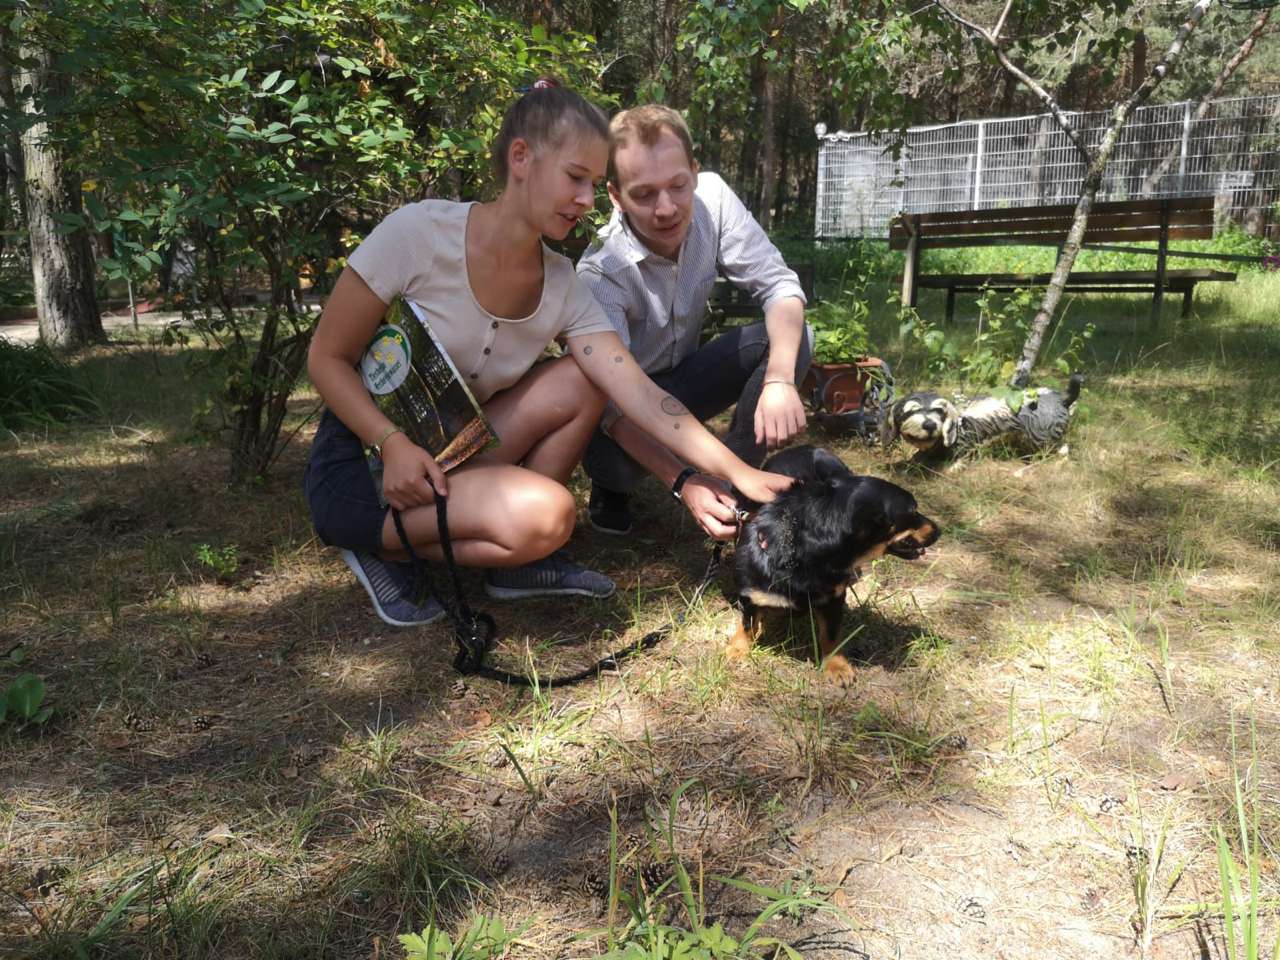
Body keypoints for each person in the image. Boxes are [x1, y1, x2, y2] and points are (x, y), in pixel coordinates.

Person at [304, 81, 792, 628]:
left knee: (584, 379)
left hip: (450, 456)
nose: (586, 200)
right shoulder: (418, 233)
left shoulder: (563, 284)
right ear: (521, 158)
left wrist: (737, 472)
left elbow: (640, 395)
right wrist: (390, 443)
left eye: (593, 184)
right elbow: (326, 358)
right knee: (551, 514)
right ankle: (379, 544)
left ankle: (512, 560)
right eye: (575, 178)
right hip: (366, 463)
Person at [577, 104, 812, 541]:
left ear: (695, 173)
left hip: (684, 378)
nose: (666, 208)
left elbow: (779, 286)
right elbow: (613, 407)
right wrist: (683, 480)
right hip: (622, 406)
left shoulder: (714, 199)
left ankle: (733, 488)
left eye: (678, 186)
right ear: (615, 196)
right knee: (618, 468)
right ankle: (613, 488)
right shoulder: (600, 272)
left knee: (792, 340)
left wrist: (779, 378)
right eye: (644, 194)